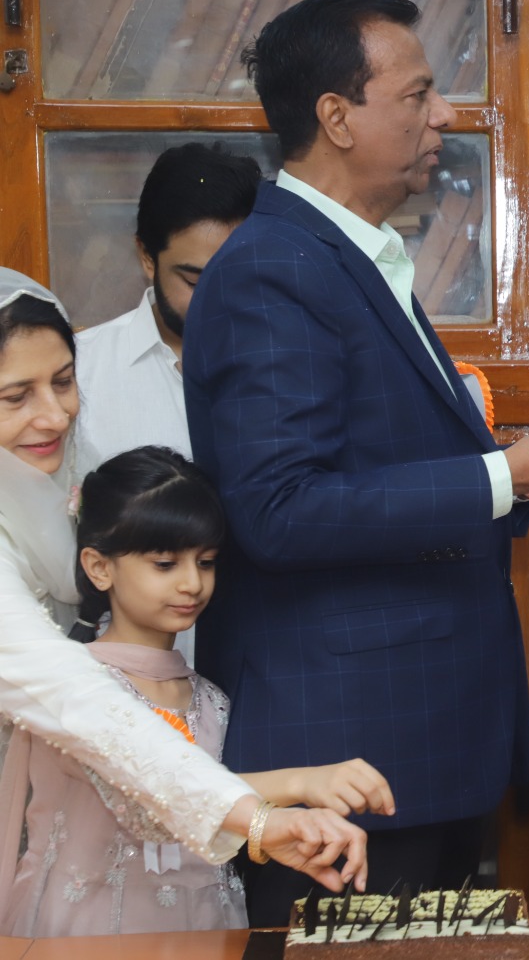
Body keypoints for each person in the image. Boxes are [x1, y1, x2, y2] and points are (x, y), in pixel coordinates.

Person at [182, 0, 529, 924]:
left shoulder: (347, 256)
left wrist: (526, 478)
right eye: (418, 95)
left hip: (415, 744)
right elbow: (281, 511)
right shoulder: (273, 269)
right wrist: (507, 473)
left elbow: (376, 459)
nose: (445, 114)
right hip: (348, 760)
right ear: (336, 117)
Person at [0, 268, 371, 920]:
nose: (54, 414)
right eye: (15, 396)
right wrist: (260, 816)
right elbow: (71, 697)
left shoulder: (61, 489)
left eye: (63, 381)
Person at [4, 446, 395, 937]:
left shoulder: (211, 698)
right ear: (99, 567)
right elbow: (144, 796)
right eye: (165, 563)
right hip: (89, 931)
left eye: (206, 562)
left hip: (205, 922)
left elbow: (207, 808)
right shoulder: (71, 690)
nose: (192, 583)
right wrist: (299, 783)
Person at [74, 143, 262, 464]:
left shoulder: (293, 357)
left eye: (238, 278)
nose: (219, 301)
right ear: (147, 257)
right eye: (194, 282)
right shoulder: (82, 373)